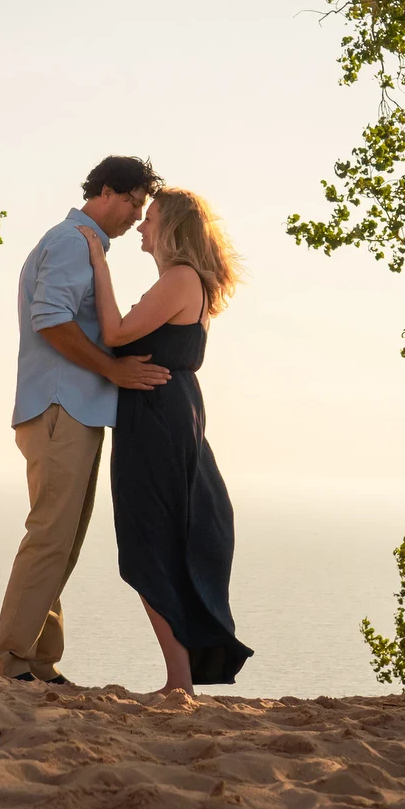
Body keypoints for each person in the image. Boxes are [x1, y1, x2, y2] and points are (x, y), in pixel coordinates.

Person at [0, 156, 172, 684]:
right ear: (107, 191)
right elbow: (50, 320)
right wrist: (113, 369)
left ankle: (38, 663)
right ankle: (8, 666)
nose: (137, 215)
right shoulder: (71, 241)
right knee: (50, 537)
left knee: (61, 541)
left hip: (72, 410)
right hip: (59, 408)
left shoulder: (82, 243)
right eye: (134, 202)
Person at [78, 186, 253, 695]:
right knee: (156, 539)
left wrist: (99, 264)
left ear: (172, 227)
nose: (141, 224)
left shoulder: (180, 278)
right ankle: (180, 679)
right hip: (164, 412)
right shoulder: (182, 280)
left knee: (148, 542)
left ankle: (179, 681)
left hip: (158, 418)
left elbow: (114, 333)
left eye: (150, 217)